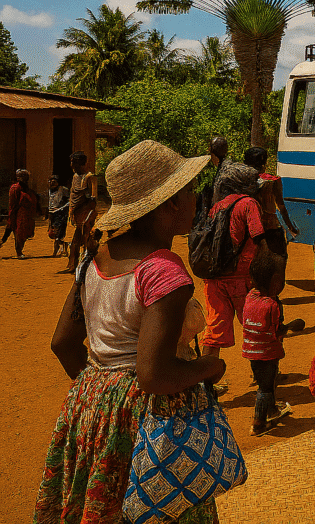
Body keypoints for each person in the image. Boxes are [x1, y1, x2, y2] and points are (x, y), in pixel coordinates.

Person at [36, 139, 223, 524]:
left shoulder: (96, 255)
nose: (194, 198)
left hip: (89, 407)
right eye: (188, 190)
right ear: (170, 202)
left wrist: (102, 395)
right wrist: (209, 369)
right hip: (147, 418)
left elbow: (63, 343)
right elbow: (155, 376)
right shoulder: (164, 271)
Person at [199, 161, 266, 395]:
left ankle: (204, 386)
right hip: (242, 278)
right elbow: (258, 236)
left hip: (214, 278)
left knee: (214, 332)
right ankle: (263, 381)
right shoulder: (248, 204)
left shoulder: (217, 206)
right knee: (256, 328)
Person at [242, 246, 303, 435]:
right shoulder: (272, 305)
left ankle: (272, 410)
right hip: (268, 353)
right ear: (276, 282)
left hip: (251, 352)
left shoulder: (249, 297)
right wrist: (293, 325)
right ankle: (258, 423)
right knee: (265, 388)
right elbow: (278, 332)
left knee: (266, 382)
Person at [243, 146, 300, 255]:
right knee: (281, 256)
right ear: (264, 163)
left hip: (249, 227)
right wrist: (291, 227)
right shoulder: (272, 181)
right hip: (270, 227)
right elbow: (281, 206)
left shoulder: (242, 180)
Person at [59, 152, 98, 273]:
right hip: (75, 215)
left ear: (81, 164)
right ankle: (73, 266)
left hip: (86, 214)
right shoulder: (75, 177)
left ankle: (86, 267)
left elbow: (93, 199)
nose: (72, 165)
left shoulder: (90, 177)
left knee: (86, 241)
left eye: (74, 163)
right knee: (74, 242)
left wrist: (87, 217)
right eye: (71, 162)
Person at [2, 169, 39, 259]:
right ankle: (19, 252)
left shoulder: (27, 189)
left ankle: (4, 242)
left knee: (22, 233)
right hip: (18, 214)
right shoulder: (15, 188)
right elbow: (13, 204)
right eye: (22, 176)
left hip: (26, 215)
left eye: (26, 176)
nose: (25, 178)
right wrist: (12, 215)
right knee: (18, 232)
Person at [46, 174, 71, 258]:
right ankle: (64, 247)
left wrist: (61, 208)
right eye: (51, 182)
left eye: (54, 182)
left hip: (61, 214)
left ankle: (55, 253)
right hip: (52, 214)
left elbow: (69, 201)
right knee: (53, 233)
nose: (52, 184)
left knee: (58, 233)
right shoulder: (49, 191)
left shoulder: (63, 190)